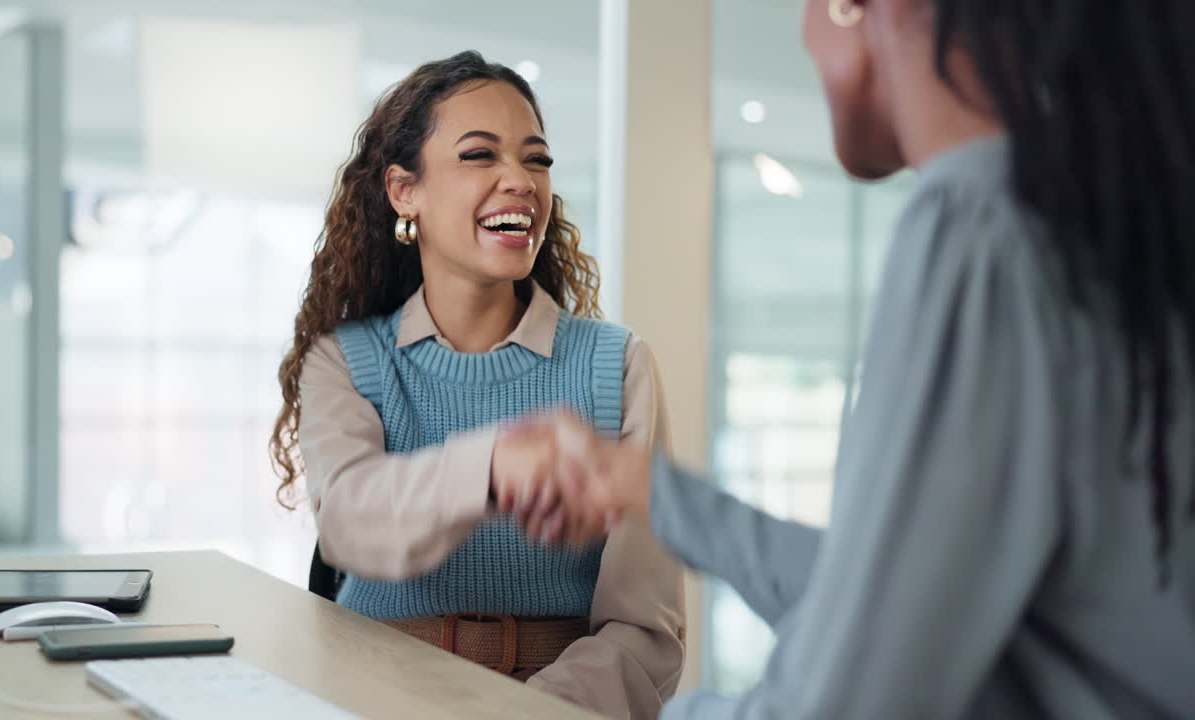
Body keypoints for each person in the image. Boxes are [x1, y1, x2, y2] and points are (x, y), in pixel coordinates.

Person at [510, 0, 1195, 717]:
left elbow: (846, 701)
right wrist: (657, 495)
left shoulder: (976, 232)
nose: (803, 28)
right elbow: (899, 596)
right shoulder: (1088, 227)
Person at [267, 51, 684, 719]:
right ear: (407, 192)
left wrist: (525, 710)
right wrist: (493, 466)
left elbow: (646, 631)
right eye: (479, 156)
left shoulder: (618, 365)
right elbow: (352, 521)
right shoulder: (347, 363)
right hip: (369, 695)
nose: (520, 180)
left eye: (537, 160)